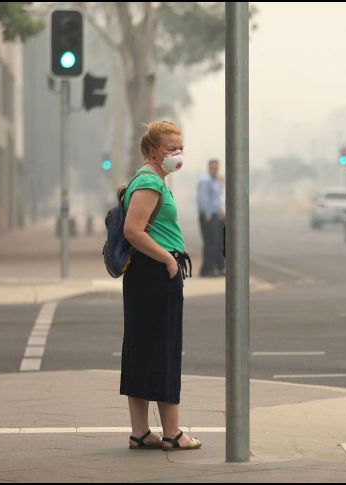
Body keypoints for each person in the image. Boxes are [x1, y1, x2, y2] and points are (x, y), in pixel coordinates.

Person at [120, 121, 201, 451]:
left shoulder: (147, 179)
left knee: (141, 349)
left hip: (145, 274)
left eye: (180, 148)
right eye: (171, 149)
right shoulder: (151, 182)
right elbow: (133, 230)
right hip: (155, 273)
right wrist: (168, 260)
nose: (177, 154)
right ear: (153, 150)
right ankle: (173, 433)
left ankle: (141, 432)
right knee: (164, 351)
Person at [197, 159, 225, 277]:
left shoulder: (215, 181)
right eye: (213, 168)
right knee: (210, 243)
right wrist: (207, 215)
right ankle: (207, 270)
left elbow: (216, 198)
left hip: (215, 215)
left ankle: (217, 267)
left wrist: (220, 212)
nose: (215, 170)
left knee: (217, 242)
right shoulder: (205, 180)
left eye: (217, 168)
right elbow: (203, 199)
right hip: (208, 216)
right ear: (209, 167)